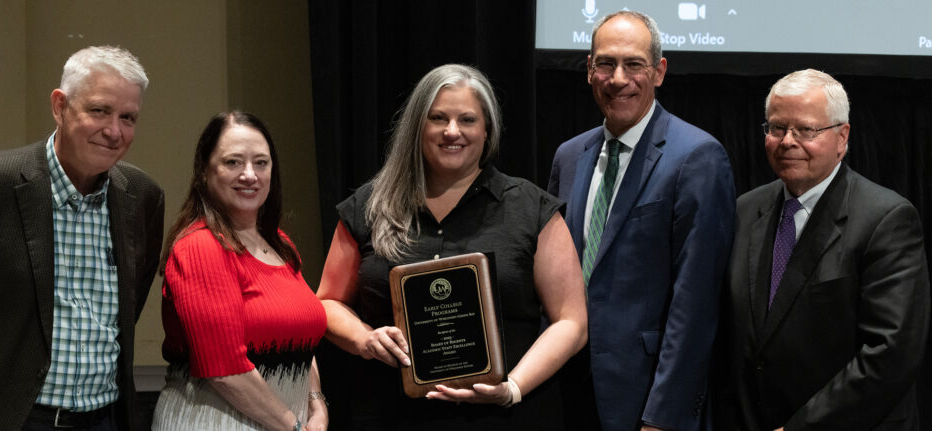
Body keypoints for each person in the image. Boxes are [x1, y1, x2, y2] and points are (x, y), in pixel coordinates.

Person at [316, 63, 587, 430]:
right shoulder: (369, 206)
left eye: (468, 120)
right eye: (438, 118)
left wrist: (512, 388)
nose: (452, 131)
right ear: (417, 127)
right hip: (390, 414)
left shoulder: (531, 208)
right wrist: (365, 339)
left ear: (487, 129)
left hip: (506, 417)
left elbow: (571, 321)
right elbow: (327, 303)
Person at [0, 45, 164, 430]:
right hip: (2, 420)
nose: (114, 131)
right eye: (99, 111)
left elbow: (131, 301)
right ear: (60, 107)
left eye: (128, 117)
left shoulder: (141, 197)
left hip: (104, 418)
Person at [547, 10, 737, 431]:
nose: (618, 78)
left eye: (633, 64)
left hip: (646, 401)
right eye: (605, 64)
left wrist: (664, 415)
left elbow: (697, 300)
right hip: (566, 392)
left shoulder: (697, 156)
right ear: (589, 71)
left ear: (659, 71)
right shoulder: (569, 156)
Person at [719, 69, 930, 431]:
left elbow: (891, 353)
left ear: (842, 137)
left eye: (805, 130)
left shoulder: (885, 219)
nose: (787, 141)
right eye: (776, 128)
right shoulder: (743, 210)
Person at [151, 111, 328, 431]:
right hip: (214, 421)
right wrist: (295, 427)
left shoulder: (282, 244)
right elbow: (224, 370)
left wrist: (317, 404)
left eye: (261, 163)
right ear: (204, 172)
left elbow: (302, 336)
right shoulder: (199, 247)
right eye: (233, 162)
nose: (250, 174)